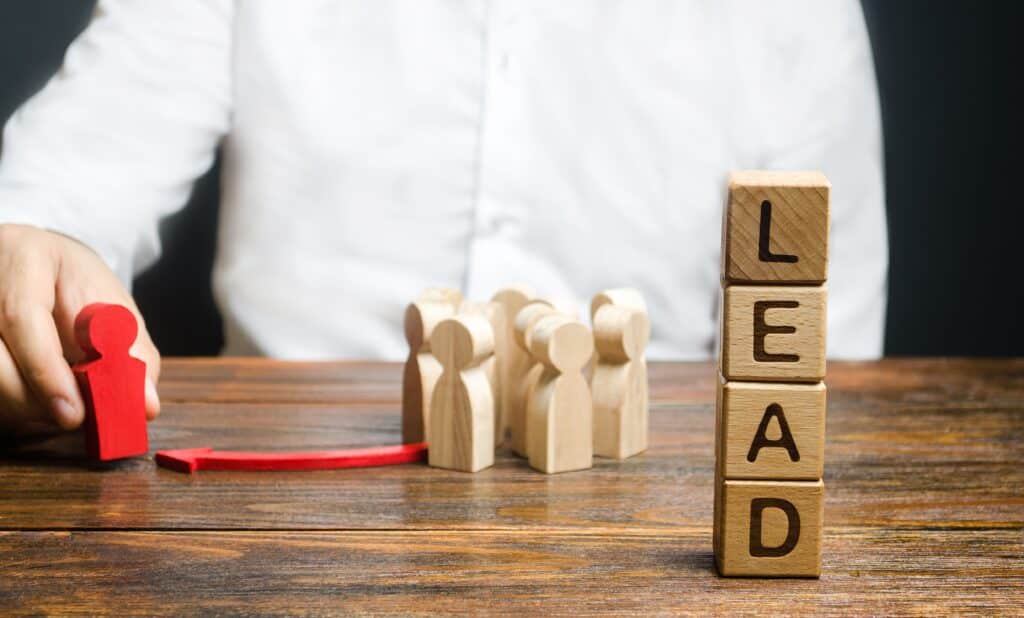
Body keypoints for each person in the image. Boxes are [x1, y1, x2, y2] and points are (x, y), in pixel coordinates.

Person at [0, 1, 887, 435]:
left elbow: (823, 373)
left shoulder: (794, 16)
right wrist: (30, 241)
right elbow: (72, 173)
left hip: (655, 522)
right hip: (280, 526)